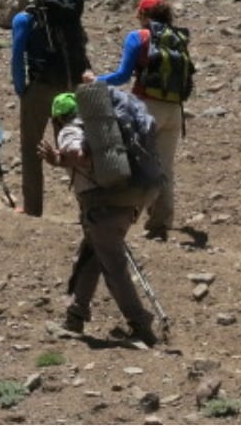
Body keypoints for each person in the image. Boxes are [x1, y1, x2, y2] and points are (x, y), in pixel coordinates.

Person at [39, 92, 159, 346]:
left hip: (102, 207)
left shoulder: (69, 130)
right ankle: (75, 315)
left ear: (57, 118)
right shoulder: (101, 128)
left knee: (114, 269)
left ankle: (141, 326)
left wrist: (60, 158)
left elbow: (78, 153)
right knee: (89, 257)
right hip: (126, 203)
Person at [87, 0, 188, 240]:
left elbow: (122, 76)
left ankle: (122, 218)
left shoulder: (138, 37)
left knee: (136, 163)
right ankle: (160, 224)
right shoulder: (177, 38)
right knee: (165, 168)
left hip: (146, 108)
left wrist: (95, 80)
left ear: (143, 15)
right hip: (174, 110)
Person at [9, 0, 72, 217]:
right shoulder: (60, 14)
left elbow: (17, 56)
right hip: (66, 85)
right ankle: (87, 201)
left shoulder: (24, 18)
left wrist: (21, 88)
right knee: (70, 141)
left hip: (40, 86)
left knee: (31, 147)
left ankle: (33, 208)